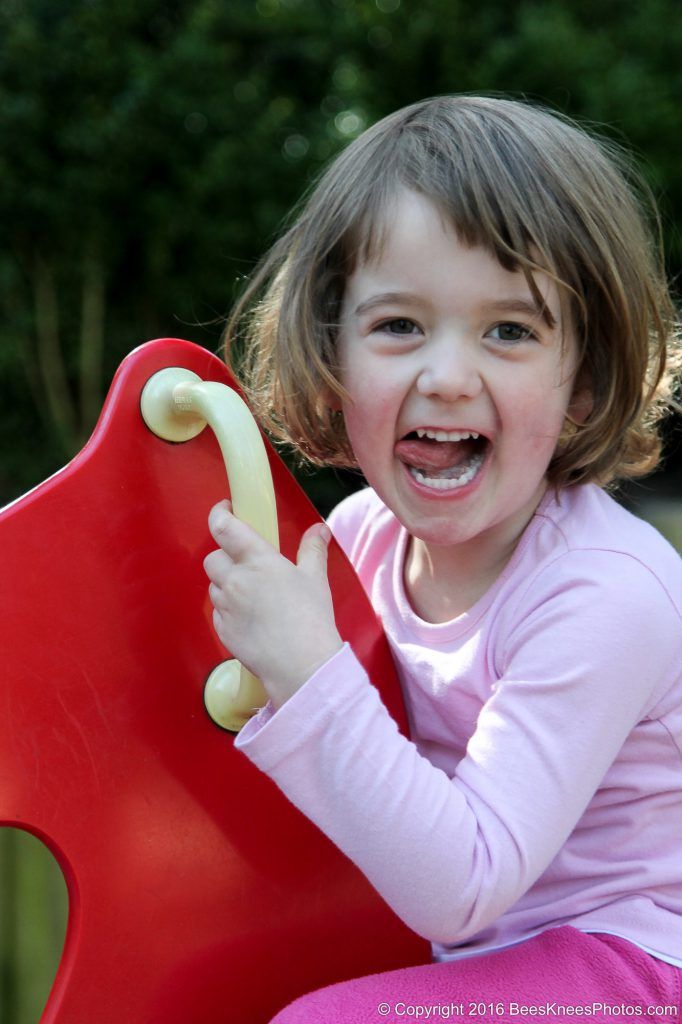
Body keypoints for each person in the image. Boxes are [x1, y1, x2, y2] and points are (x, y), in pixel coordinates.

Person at [203, 96, 682, 1022]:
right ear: (332, 354)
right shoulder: (355, 544)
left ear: (582, 380)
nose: (448, 375)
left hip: (640, 965)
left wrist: (307, 670)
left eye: (509, 330)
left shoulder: (603, 593)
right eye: (398, 327)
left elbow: (461, 883)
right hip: (486, 959)